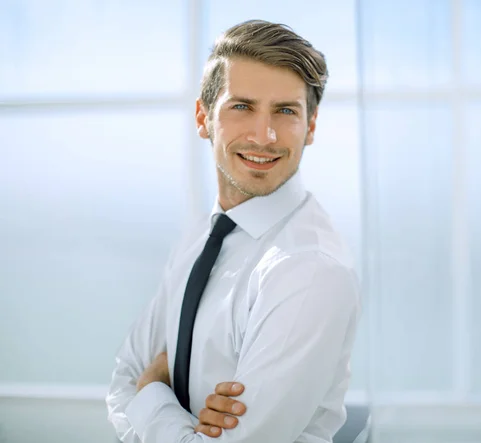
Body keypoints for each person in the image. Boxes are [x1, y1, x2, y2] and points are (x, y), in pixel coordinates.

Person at [106, 19, 361, 443]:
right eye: (242, 106)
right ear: (203, 117)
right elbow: (120, 384)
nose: (265, 136)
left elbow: (138, 385)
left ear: (310, 127)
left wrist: (152, 393)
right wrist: (174, 418)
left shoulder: (309, 269)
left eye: (286, 111)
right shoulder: (200, 238)